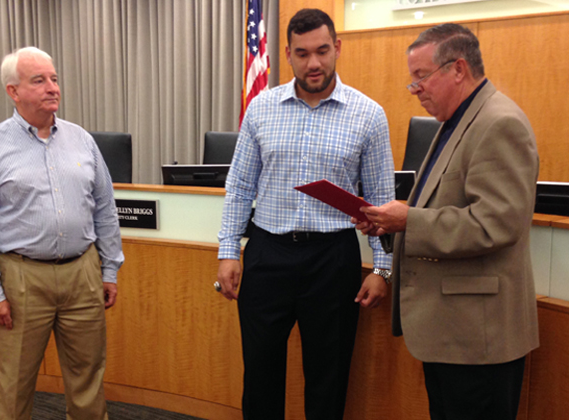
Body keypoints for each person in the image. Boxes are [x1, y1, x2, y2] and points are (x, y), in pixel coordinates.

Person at [216, 8, 395, 420]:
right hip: (267, 255)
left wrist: (381, 268)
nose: (313, 63)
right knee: (260, 376)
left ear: (337, 48)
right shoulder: (261, 108)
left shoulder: (368, 115)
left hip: (331, 260)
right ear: (288, 53)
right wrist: (229, 251)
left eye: (322, 50)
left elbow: (381, 201)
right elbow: (240, 187)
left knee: (327, 379)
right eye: (302, 53)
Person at [355, 23, 539, 420]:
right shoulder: (456, 122)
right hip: (453, 335)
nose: (415, 88)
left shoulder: (498, 123)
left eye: (421, 76)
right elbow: (443, 205)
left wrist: (409, 221)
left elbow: (495, 225)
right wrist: (391, 223)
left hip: (478, 340)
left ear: (458, 69)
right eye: (412, 79)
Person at [0, 47, 124, 420]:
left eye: (54, 78)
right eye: (39, 81)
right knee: (15, 383)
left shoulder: (82, 140)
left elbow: (105, 209)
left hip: (83, 272)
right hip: (20, 278)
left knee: (88, 379)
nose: (52, 88)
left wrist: (109, 269)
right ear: (13, 91)